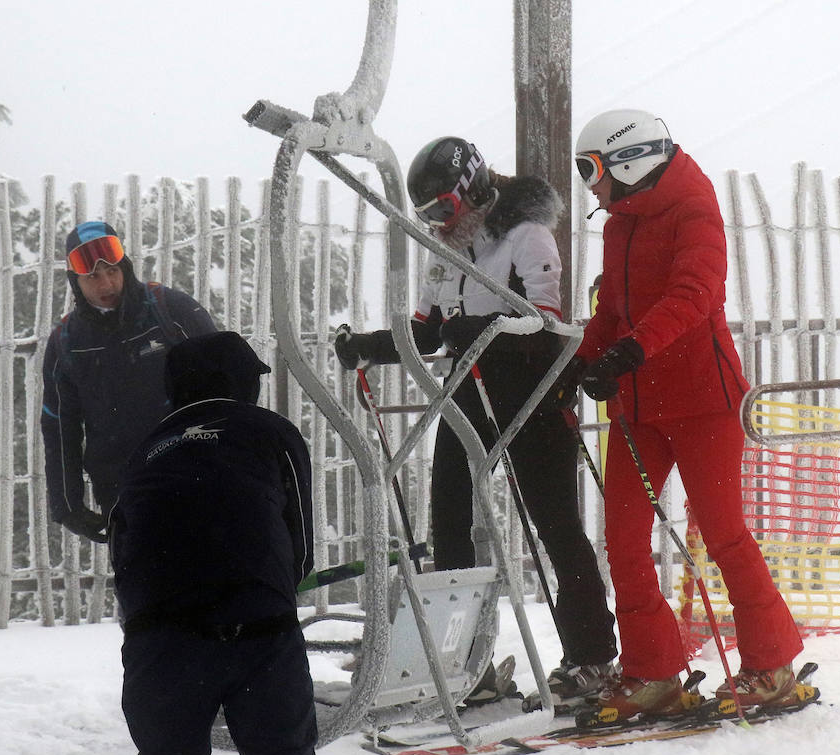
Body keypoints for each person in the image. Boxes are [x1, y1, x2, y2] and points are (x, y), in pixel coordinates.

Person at [333, 136, 619, 705]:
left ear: (473, 191)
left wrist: (485, 333)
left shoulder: (526, 234)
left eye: (443, 208)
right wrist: (367, 345)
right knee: (448, 522)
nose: (438, 223)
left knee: (555, 525)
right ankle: (462, 664)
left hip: (531, 393)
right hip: (469, 391)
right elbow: (425, 331)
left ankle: (592, 658)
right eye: (427, 215)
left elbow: (547, 325)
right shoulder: (446, 249)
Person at [572, 109, 805, 718]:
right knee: (622, 539)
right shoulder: (619, 222)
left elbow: (695, 294)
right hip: (638, 405)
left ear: (630, 161)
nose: (589, 186)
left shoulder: (694, 208)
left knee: (722, 532)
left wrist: (629, 351)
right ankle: (653, 671)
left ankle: (770, 663)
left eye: (592, 169)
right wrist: (585, 361)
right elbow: (612, 309)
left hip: (704, 402)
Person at [110, 331, 349, 755]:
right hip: (255, 624)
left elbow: (123, 545)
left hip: (159, 635)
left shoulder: (147, 449)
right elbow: (299, 545)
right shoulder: (269, 433)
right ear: (240, 384)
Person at [41, 221, 216, 544]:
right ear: (76, 282)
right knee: (145, 587)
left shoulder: (170, 309)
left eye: (113, 271)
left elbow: (227, 374)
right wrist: (67, 505)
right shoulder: (66, 341)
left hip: (195, 472)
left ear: (126, 268)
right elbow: (59, 426)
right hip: (122, 488)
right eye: (92, 276)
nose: (106, 283)